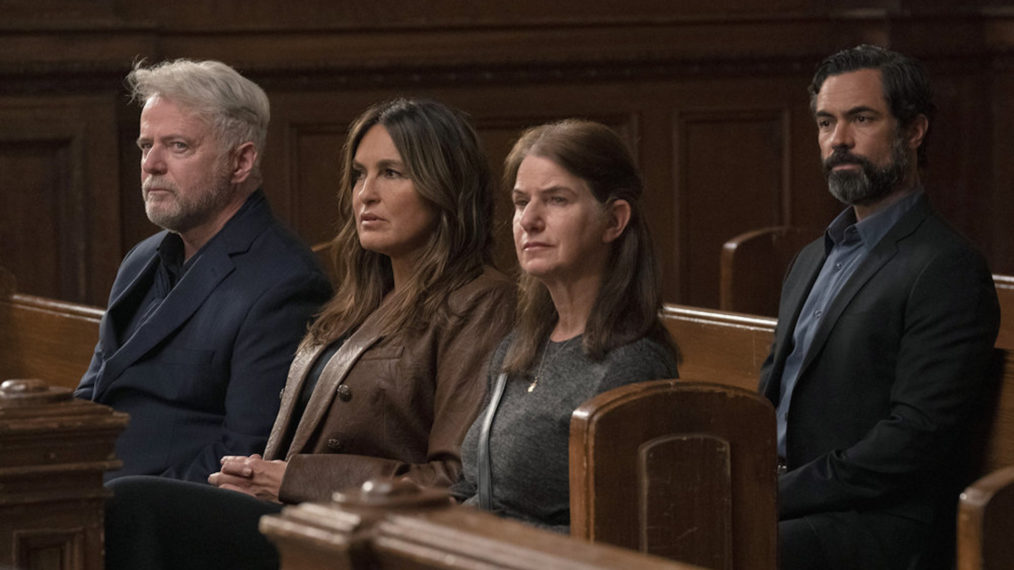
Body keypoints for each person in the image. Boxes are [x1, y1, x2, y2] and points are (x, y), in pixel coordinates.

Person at [103, 97, 516, 570]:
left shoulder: (481, 302)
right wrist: (254, 477)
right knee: (126, 503)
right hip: (297, 516)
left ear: (447, 187)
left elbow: (455, 480)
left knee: (131, 503)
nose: (366, 194)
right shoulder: (361, 299)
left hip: (361, 536)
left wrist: (292, 479)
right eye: (360, 174)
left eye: (392, 173)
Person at [759, 45, 1000, 570]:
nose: (838, 140)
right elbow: (771, 396)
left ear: (913, 130)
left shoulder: (947, 267)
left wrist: (773, 494)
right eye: (826, 123)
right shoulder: (809, 258)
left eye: (861, 119)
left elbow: (911, 443)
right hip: (792, 500)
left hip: (874, 525)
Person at [74, 59, 332, 483]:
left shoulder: (286, 285)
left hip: (161, 519)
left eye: (178, 146)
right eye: (145, 146)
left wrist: (114, 501)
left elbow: (243, 459)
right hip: (86, 498)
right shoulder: (142, 258)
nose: (151, 164)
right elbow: (93, 395)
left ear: (241, 162)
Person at [450, 119, 679, 532]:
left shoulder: (631, 368)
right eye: (521, 202)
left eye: (556, 200)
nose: (529, 221)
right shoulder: (518, 346)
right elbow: (472, 486)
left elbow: (616, 534)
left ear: (614, 221)